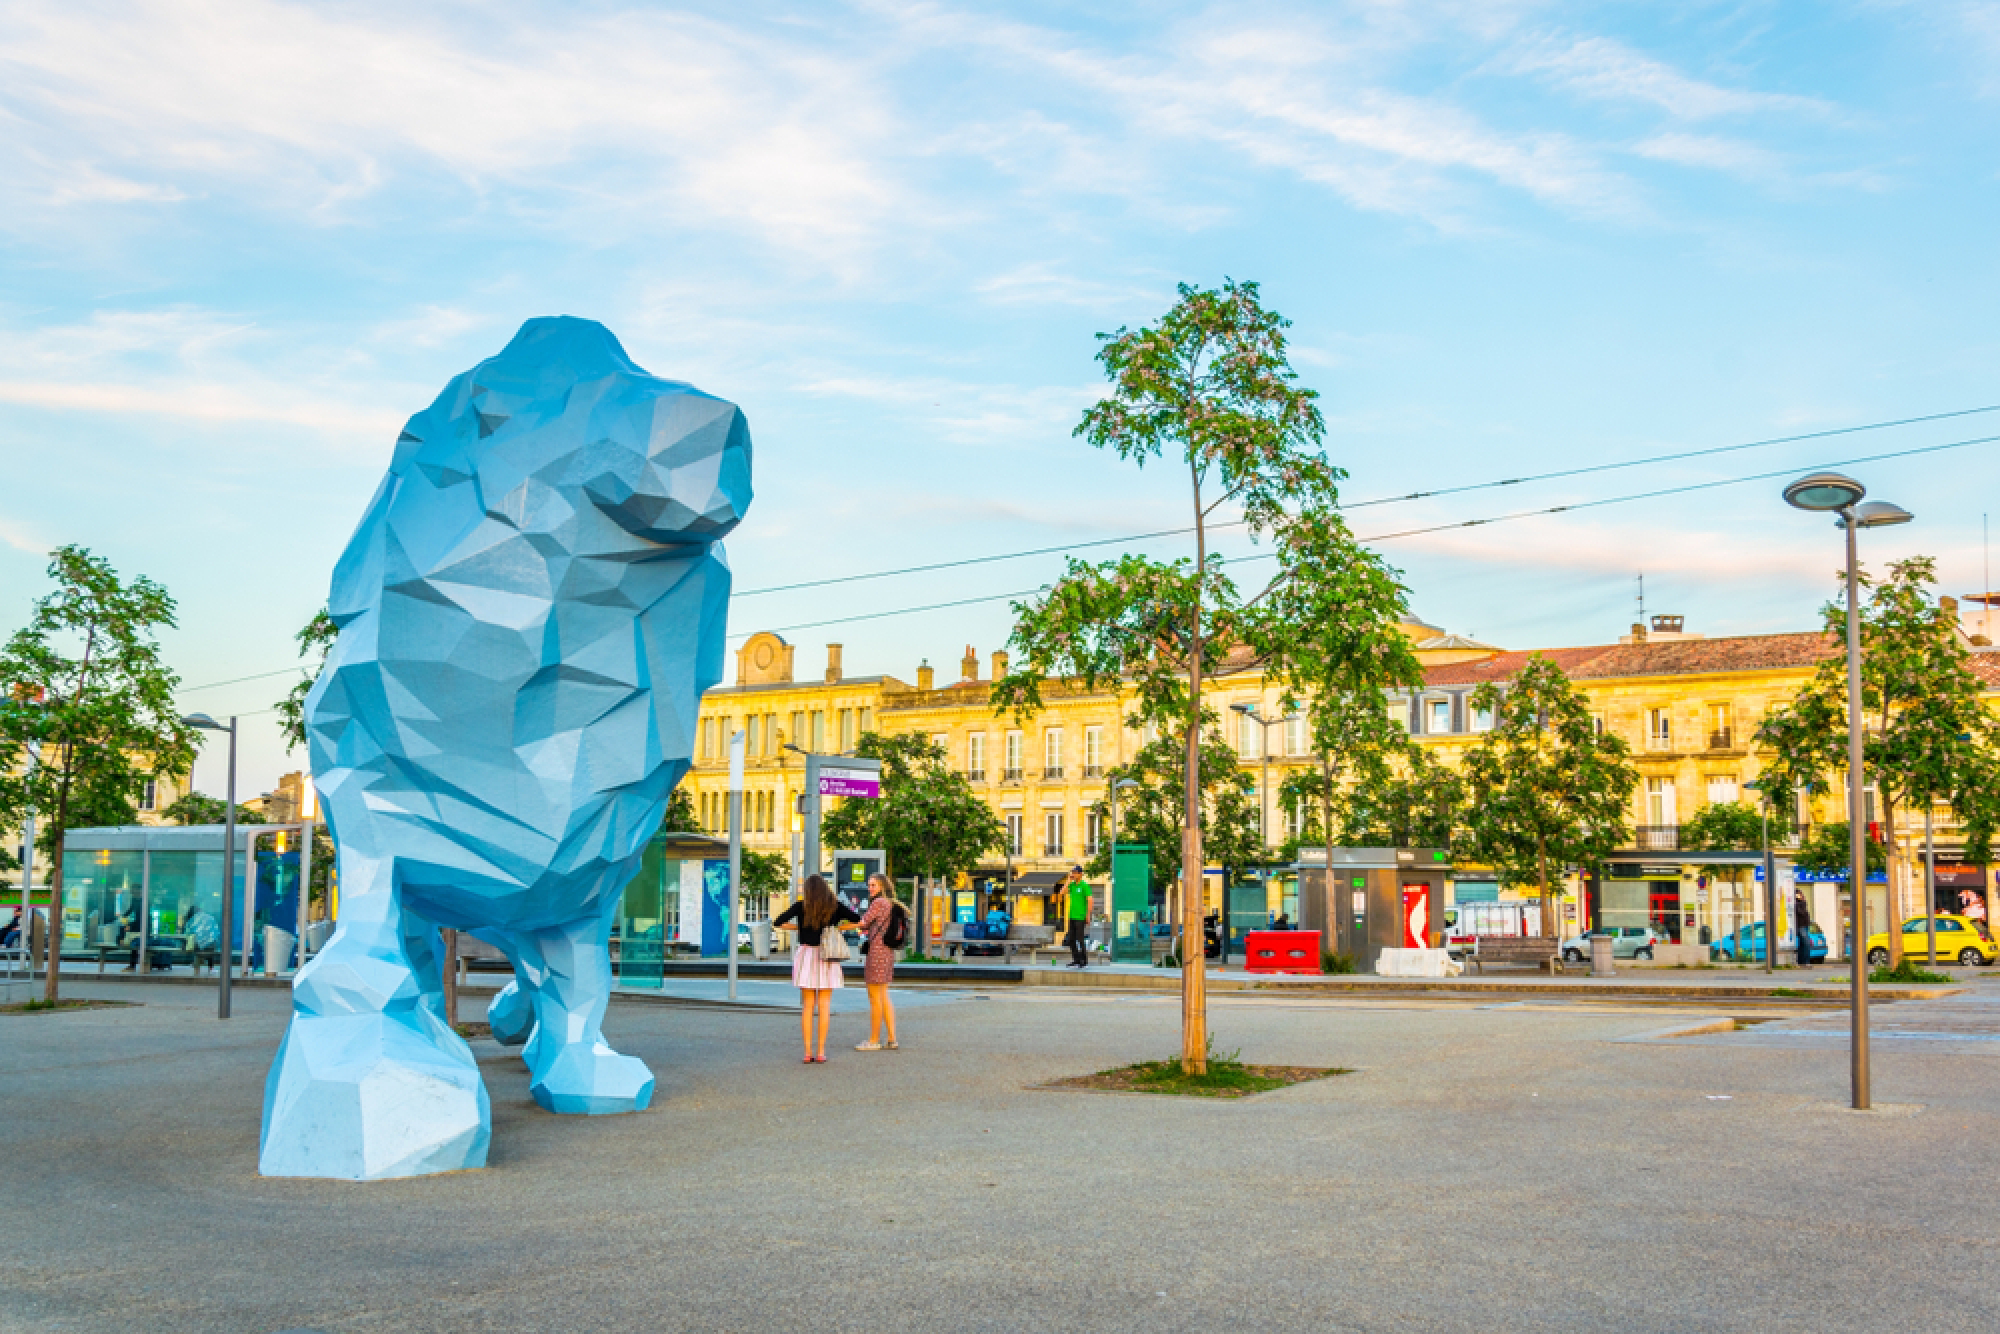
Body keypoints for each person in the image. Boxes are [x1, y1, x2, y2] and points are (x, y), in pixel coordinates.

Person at [773, 874, 859, 1064]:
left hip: (806, 956)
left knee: (808, 1006)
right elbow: (858, 919)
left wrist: (798, 928)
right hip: (827, 956)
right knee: (825, 1006)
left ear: (808, 889)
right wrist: (840, 928)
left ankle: (807, 1052)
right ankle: (821, 1052)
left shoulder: (801, 906)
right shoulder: (834, 905)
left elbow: (778, 922)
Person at [855, 873, 906, 1051]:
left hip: (876, 952)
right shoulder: (890, 903)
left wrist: (842, 925)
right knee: (883, 996)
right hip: (887, 952)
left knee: (874, 997)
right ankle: (892, 1039)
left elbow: (863, 922)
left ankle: (874, 1040)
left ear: (882, 886)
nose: (870, 888)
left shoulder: (878, 903)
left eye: (873, 885)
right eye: (869, 885)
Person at [1061, 865, 1091, 969]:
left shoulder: (1084, 885)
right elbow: (1061, 892)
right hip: (1072, 916)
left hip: (1080, 916)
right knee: (1071, 940)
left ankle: (1084, 961)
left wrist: (1088, 915)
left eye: (1075, 872)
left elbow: (1090, 901)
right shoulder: (1072, 885)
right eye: (1072, 872)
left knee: (1080, 939)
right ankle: (1076, 960)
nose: (1073, 874)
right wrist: (1068, 881)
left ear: (1080, 874)